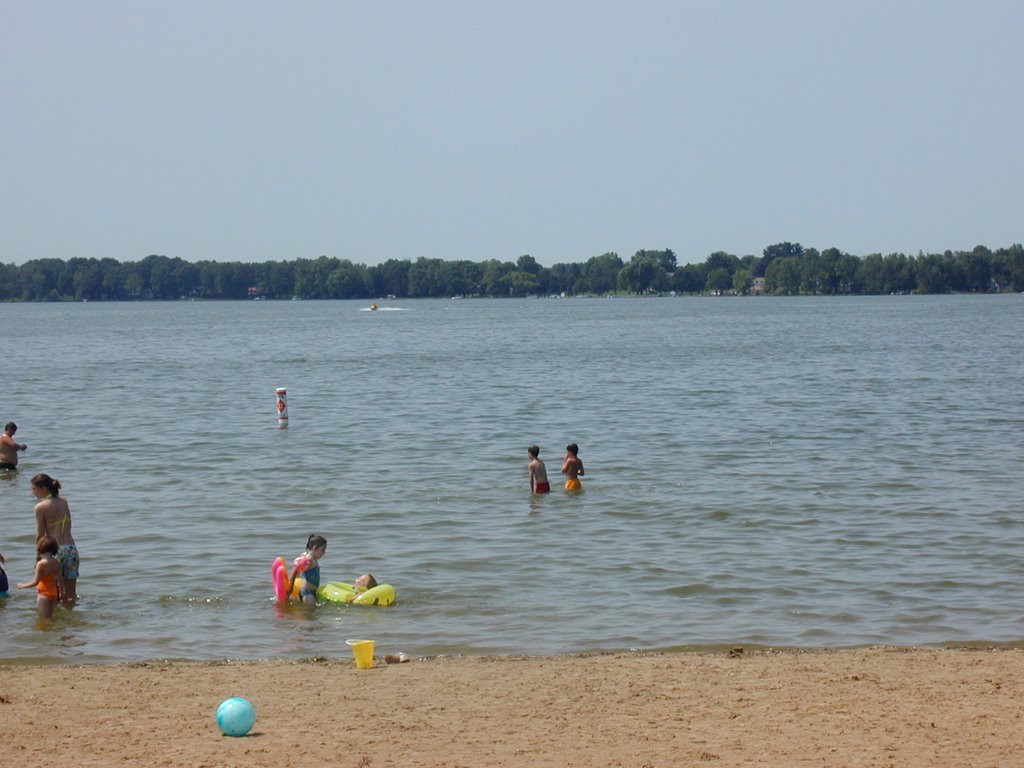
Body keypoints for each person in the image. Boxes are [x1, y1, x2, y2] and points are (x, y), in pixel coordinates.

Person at [32, 473, 79, 604]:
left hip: (55, 551)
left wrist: (38, 557)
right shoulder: (64, 501)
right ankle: (70, 619)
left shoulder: (40, 507)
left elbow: (40, 534)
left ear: (43, 488)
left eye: (34, 488)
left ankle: (54, 621)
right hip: (71, 549)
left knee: (52, 591)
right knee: (71, 593)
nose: (33, 492)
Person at [17, 535, 62, 618]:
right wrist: (62, 592)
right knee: (50, 618)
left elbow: (36, 582)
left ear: (40, 548)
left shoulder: (40, 564)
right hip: (54, 593)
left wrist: (22, 586)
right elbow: (60, 579)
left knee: (43, 620)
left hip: (44, 594)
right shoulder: (56, 562)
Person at [288, 534, 327, 605]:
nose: (324, 553)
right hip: (307, 593)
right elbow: (296, 569)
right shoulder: (308, 559)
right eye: (323, 550)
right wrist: (290, 588)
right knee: (308, 615)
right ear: (315, 548)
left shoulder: (310, 558)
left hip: (309, 592)